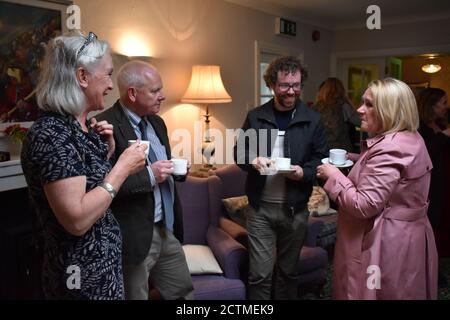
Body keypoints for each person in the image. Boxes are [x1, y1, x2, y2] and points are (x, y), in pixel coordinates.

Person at [20, 31, 147, 299]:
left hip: (103, 272)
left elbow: (92, 188)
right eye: (108, 74)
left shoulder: (81, 128)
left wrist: (109, 151)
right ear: (82, 77)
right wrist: (122, 167)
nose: (112, 85)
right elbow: (76, 220)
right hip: (78, 279)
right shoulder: (51, 134)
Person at [316, 78, 438, 300]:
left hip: (386, 238)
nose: (360, 110)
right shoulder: (410, 137)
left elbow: (365, 205)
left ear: (390, 110)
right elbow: (388, 175)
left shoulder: (390, 148)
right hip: (407, 234)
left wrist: (333, 176)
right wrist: (354, 159)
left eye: (369, 104)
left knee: (376, 291)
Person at [96, 60, 194, 300]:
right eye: (155, 91)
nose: (162, 96)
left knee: (183, 293)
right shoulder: (104, 126)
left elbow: (161, 168)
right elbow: (104, 186)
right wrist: (151, 175)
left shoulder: (157, 123)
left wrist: (176, 170)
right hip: (135, 235)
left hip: (167, 229)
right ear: (132, 93)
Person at [234, 56, 328, 299]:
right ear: (272, 85)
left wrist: (303, 173)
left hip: (295, 211)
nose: (291, 91)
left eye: (296, 85)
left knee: (288, 273)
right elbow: (240, 151)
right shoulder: (256, 116)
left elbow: (320, 157)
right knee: (260, 275)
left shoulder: (312, 119)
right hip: (260, 210)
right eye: (285, 85)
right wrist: (252, 159)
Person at [417, 87, 450, 287]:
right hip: (430, 187)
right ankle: (429, 272)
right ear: (431, 105)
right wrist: (444, 135)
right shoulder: (420, 129)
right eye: (443, 103)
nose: (447, 107)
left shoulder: (438, 124)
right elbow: (425, 157)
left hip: (443, 184)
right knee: (431, 226)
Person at [312, 77, 361, 152]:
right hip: (341, 153)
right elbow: (360, 122)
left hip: (320, 151)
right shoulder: (343, 105)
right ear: (341, 90)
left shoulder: (315, 108)